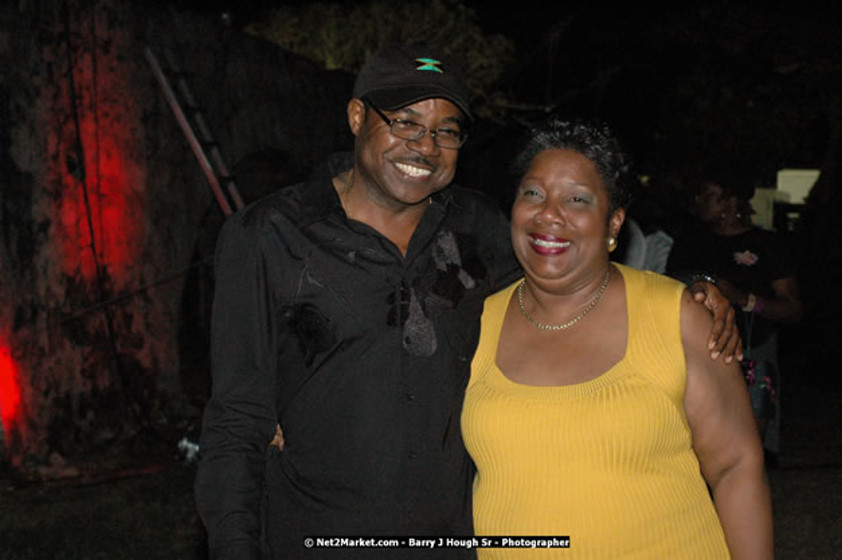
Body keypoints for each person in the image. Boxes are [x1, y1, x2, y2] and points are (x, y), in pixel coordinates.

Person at [195, 45, 740, 560]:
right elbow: (235, 423)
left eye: (445, 131)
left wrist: (697, 286)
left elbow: (572, 268)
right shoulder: (267, 236)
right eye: (405, 122)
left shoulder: (479, 228)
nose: (425, 146)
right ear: (358, 116)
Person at [462, 119, 772, 559]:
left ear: (613, 224)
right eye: (533, 193)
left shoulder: (678, 316)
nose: (549, 213)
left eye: (577, 199)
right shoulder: (474, 323)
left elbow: (736, 467)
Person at [667, 174, 803, 456]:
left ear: (731, 200)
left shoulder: (766, 245)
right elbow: (668, 290)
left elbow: (793, 310)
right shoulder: (690, 243)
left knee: (749, 449)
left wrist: (745, 299)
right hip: (698, 354)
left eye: (709, 194)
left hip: (754, 353)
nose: (699, 201)